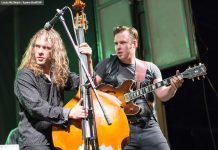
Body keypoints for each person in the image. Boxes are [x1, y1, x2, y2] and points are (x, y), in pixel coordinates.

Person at [92, 25, 184, 150]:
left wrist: (173, 87)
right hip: (120, 128)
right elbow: (91, 90)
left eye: (122, 42)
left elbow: (162, 95)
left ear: (134, 43)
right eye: (116, 43)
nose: (118, 47)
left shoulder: (150, 68)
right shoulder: (106, 65)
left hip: (148, 127)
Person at [14, 28, 93, 150]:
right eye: (37, 46)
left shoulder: (58, 73)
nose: (40, 51)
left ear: (55, 51)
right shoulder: (25, 75)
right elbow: (36, 107)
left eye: (45, 48)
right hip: (36, 141)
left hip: (59, 137)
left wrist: (88, 59)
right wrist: (69, 112)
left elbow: (86, 84)